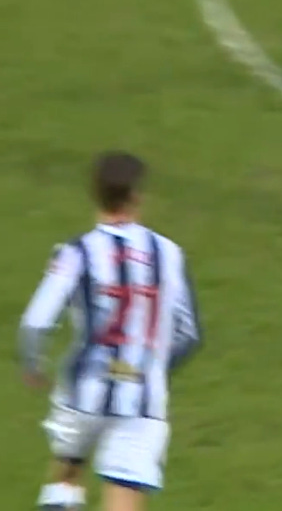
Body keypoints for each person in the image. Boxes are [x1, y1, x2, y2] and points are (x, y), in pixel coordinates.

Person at [18, 151, 202, 510]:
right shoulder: (168, 253)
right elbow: (189, 333)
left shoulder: (78, 252)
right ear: (137, 196)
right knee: (123, 495)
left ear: (95, 194)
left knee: (67, 473)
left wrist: (32, 363)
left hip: (83, 390)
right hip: (143, 399)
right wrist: (151, 370)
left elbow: (36, 321)